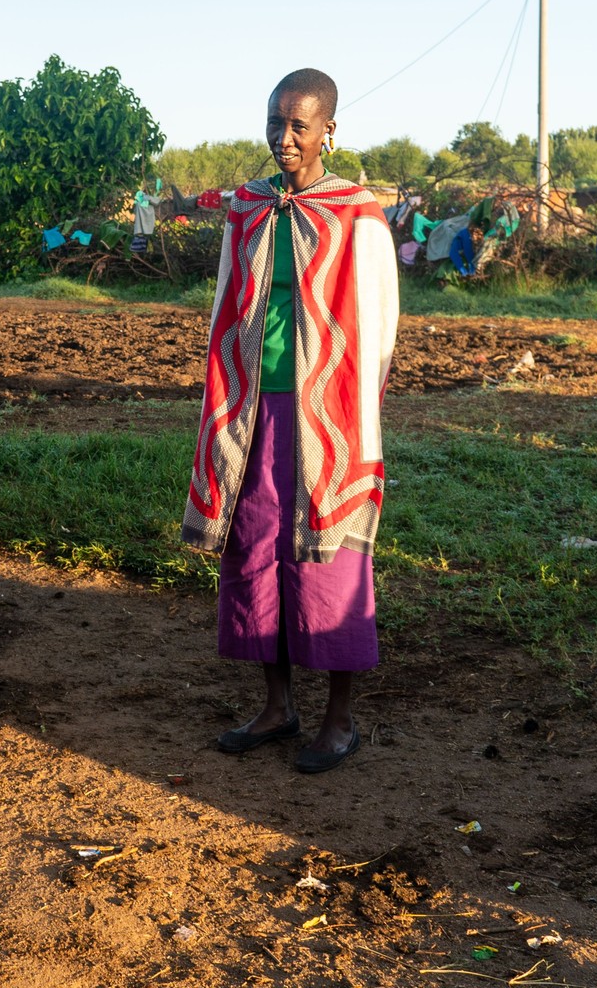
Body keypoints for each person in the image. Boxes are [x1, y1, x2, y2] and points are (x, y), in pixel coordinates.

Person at [182, 68, 398, 774]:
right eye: (275, 122)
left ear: (329, 130)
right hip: (250, 410)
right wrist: (220, 393)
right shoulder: (246, 207)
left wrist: (358, 410)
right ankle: (277, 707)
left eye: (299, 125)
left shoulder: (357, 214)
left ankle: (340, 721)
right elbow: (224, 303)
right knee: (255, 554)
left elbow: (379, 323)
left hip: (327, 416)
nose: (283, 138)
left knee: (328, 561)